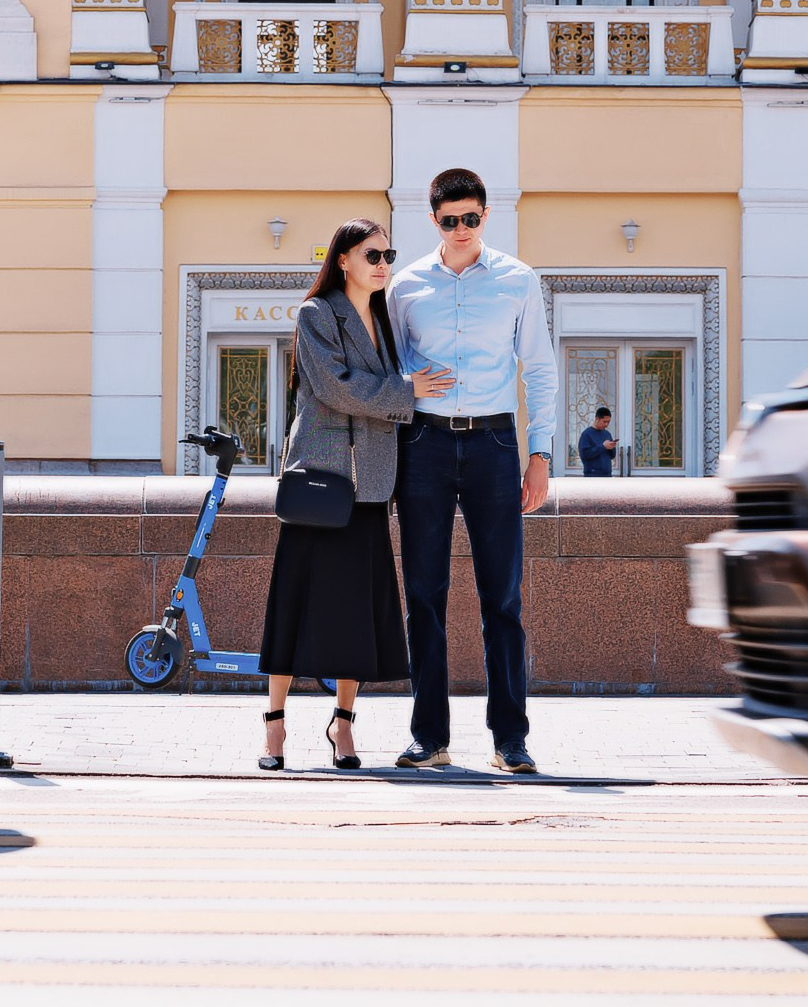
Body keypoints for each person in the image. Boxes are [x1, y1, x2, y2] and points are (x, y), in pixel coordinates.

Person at [257, 218, 454, 772]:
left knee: (357, 615)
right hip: (321, 482)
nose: (383, 263)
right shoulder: (316, 315)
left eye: (387, 254)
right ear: (342, 259)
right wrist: (407, 393)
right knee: (293, 607)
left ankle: (343, 725)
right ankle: (274, 726)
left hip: (370, 486)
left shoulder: (389, 320)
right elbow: (336, 387)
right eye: (372, 254)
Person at [386, 168, 558, 775]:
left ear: (486, 217)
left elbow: (538, 368)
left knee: (502, 598)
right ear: (433, 220)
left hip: (492, 446)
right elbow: (391, 369)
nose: (461, 230)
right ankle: (429, 736)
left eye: (472, 219)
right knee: (425, 598)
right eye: (450, 220)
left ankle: (510, 738)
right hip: (424, 447)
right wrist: (408, 391)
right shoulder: (404, 286)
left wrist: (539, 457)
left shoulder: (517, 280)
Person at [577, 408, 618, 478]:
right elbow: (585, 454)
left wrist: (611, 447)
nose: (606, 424)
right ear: (597, 419)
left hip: (607, 475)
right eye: (604, 421)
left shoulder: (607, 434)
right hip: (592, 475)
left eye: (608, 422)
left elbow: (612, 456)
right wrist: (603, 446)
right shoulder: (587, 434)